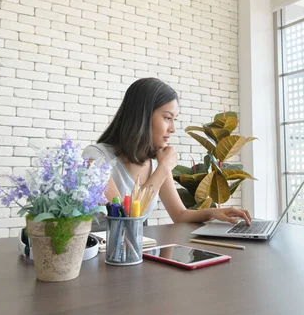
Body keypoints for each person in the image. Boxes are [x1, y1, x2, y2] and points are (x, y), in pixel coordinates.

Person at [82, 77, 252, 225]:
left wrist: (214, 213)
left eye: (174, 119)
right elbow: (123, 217)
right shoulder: (95, 158)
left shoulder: (156, 160)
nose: (172, 129)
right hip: (100, 258)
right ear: (142, 116)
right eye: (167, 118)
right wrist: (163, 168)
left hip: (137, 254)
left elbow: (179, 215)